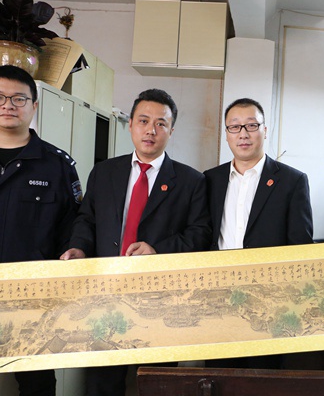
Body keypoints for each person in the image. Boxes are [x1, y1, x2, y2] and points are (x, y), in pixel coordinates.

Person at [60, 88, 211, 395]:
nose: (150, 130)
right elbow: (87, 219)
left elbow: (200, 234)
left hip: (160, 301)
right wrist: (79, 247)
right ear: (130, 124)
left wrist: (158, 250)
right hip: (105, 295)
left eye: (160, 123)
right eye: (143, 121)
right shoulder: (104, 172)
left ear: (171, 130)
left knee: (157, 382)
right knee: (102, 382)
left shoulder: (191, 181)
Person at [0, 65, 81, 395]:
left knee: (37, 387)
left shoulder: (57, 165)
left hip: (34, 303)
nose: (8, 105)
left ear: (34, 105)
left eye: (19, 98)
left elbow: (73, 227)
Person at [203, 97, 314, 368]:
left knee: (263, 375)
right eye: (235, 127)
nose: (243, 134)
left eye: (251, 125)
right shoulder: (209, 180)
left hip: (269, 303)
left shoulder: (292, 181)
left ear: (265, 130)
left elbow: (300, 247)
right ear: (226, 134)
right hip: (219, 298)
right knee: (220, 375)